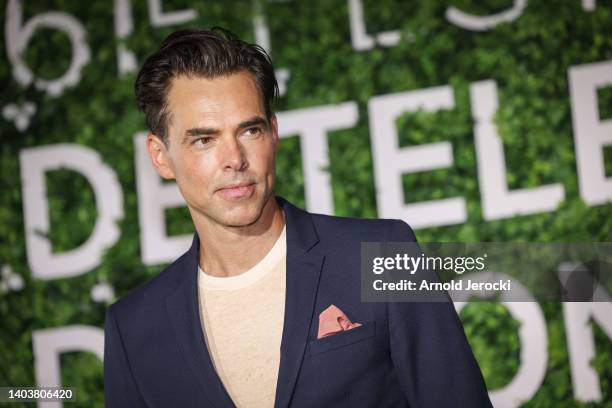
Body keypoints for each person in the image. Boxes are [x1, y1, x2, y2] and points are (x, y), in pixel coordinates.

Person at [103, 27, 492, 408]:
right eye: (204, 139)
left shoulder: (380, 256)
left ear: (273, 133)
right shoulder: (133, 328)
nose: (235, 160)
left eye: (249, 130)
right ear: (160, 155)